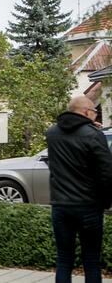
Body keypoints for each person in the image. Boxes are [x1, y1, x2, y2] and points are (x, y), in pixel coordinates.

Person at [45, 95, 112, 283]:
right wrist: (106, 201)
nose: (95, 115)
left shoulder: (52, 133)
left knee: (64, 259)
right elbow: (106, 172)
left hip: (60, 206)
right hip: (88, 206)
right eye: (94, 112)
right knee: (91, 260)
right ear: (85, 112)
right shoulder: (93, 134)